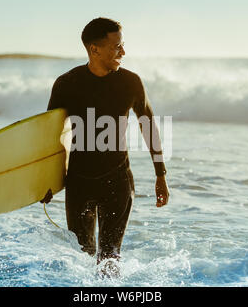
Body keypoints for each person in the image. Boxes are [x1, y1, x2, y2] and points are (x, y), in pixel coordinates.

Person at [47, 17, 169, 277]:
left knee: (110, 257)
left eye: (123, 45)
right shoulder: (67, 84)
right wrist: (45, 179)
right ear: (95, 49)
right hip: (79, 183)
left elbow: (148, 125)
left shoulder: (130, 83)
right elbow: (50, 137)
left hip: (117, 180)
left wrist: (161, 174)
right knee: (83, 257)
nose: (123, 52)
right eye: (117, 46)